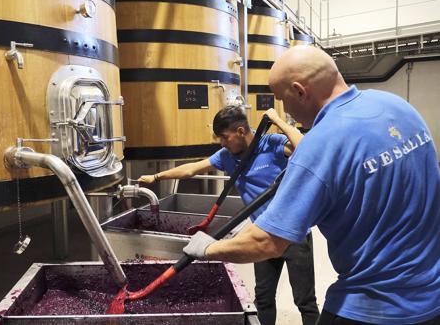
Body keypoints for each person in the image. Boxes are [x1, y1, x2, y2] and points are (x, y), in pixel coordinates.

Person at [183, 45, 440, 325]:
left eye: (282, 98)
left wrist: (209, 249)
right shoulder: (398, 106)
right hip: (433, 296)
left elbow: (267, 242)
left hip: (372, 306)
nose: (284, 108)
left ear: (300, 91)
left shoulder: (319, 144)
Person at [138, 106, 319, 325]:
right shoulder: (227, 156)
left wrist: (278, 120)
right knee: (263, 298)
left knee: (305, 301)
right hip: (261, 233)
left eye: (225, 137)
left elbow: (307, 150)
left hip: (294, 234)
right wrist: (156, 177)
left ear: (241, 131)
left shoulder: (272, 144)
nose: (222, 143)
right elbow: (192, 169)